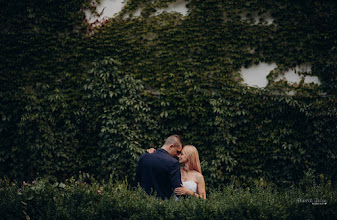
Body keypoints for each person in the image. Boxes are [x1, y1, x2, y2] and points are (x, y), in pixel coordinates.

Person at [133, 135, 183, 200]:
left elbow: (136, 182)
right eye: (177, 151)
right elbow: (178, 190)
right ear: (171, 146)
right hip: (161, 204)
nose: (177, 155)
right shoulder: (173, 163)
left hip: (141, 202)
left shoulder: (144, 157)